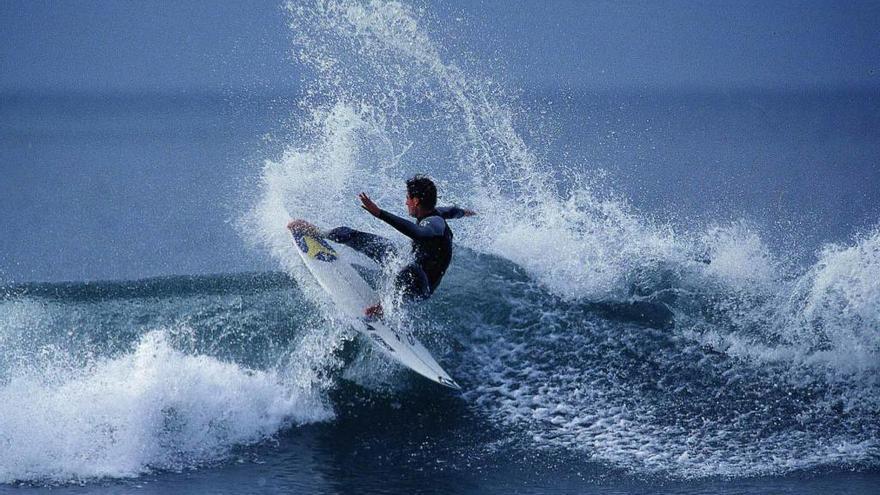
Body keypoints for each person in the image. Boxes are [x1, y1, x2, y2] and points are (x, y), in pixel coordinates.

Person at [287, 175, 474, 318]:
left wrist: (379, 213)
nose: (406, 202)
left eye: (408, 198)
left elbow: (419, 233)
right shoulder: (438, 213)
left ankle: (383, 309)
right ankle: (319, 233)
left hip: (420, 286)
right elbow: (453, 211)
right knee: (361, 238)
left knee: (409, 269)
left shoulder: (434, 224)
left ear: (416, 201)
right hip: (409, 269)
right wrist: (466, 213)